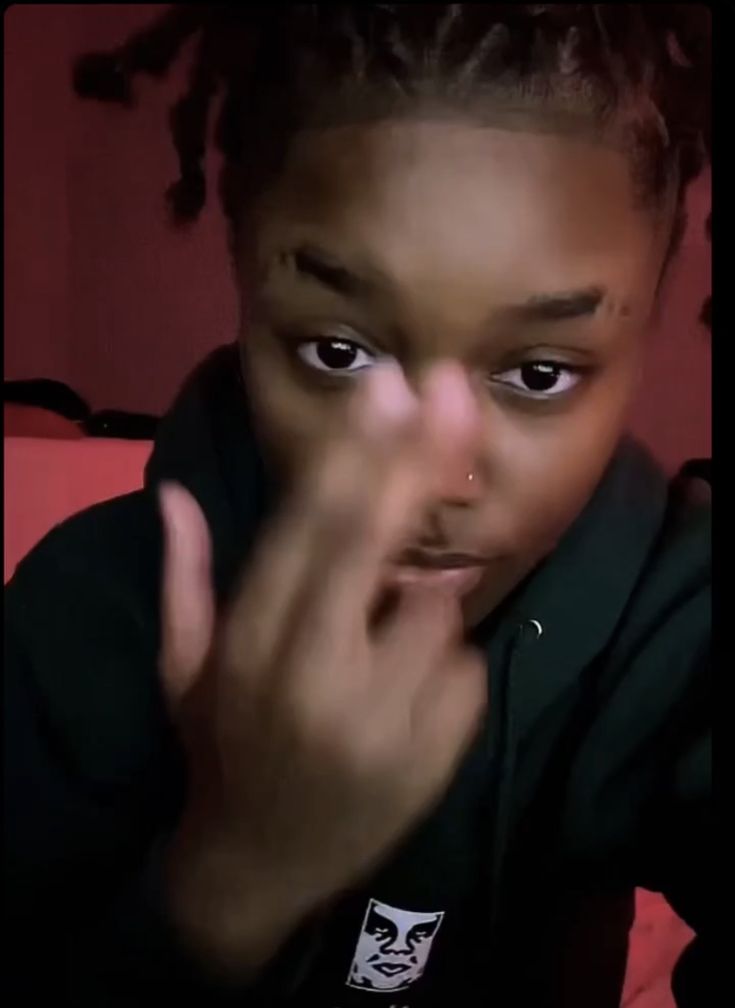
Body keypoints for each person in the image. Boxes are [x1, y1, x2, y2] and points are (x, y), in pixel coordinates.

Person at [4, 6, 711, 1006]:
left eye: (542, 373)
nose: (430, 478)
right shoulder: (79, 617)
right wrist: (238, 872)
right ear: (243, 279)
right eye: (340, 353)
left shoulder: (676, 622)